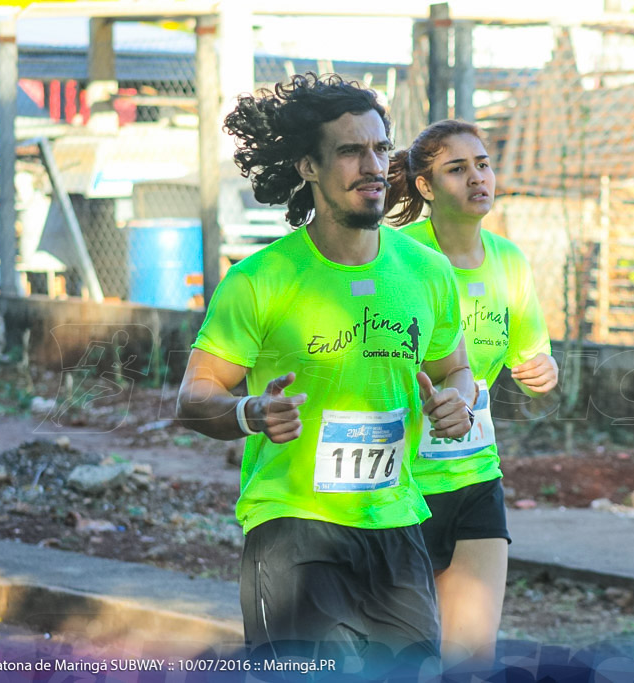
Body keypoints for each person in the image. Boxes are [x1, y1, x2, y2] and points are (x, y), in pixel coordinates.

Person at [175, 75, 477, 669]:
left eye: (381, 149)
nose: (372, 166)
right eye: (350, 151)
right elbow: (194, 395)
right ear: (308, 165)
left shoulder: (426, 271)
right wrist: (248, 411)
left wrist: (456, 401)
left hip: (395, 524)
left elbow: (456, 368)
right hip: (294, 529)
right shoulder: (261, 280)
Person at [386, 119, 558, 665]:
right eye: (457, 169)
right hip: (401, 483)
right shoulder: (396, 258)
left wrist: (544, 369)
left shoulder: (509, 261)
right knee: (407, 659)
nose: (477, 177)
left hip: (475, 473)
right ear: (426, 187)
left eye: (482, 164)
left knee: (469, 661)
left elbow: (531, 353)